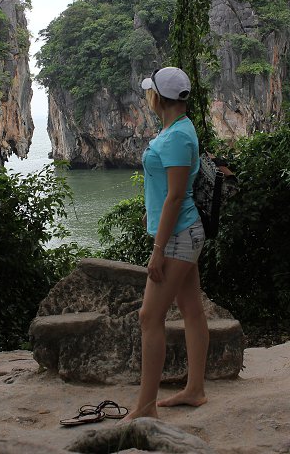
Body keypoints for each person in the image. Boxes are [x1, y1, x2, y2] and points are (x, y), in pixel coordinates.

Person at [124, 66, 209, 422]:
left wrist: (157, 251)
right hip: (183, 231)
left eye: (151, 91)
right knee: (191, 310)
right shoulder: (178, 128)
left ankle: (146, 406)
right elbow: (168, 191)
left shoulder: (176, 137)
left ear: (158, 97)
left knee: (149, 317)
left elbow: (176, 196)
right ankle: (195, 390)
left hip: (178, 237)